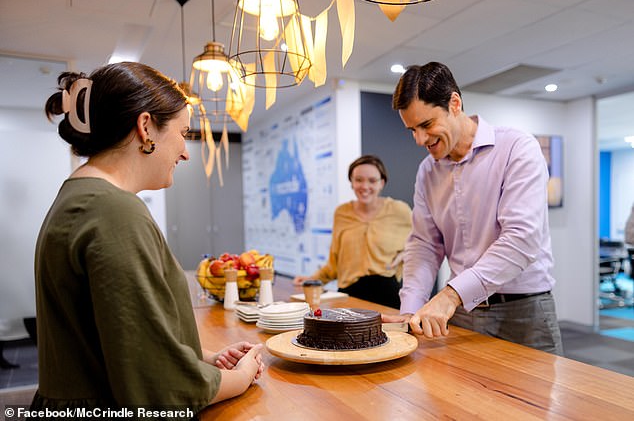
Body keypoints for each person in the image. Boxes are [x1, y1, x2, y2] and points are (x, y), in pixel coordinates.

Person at [32, 62, 264, 415]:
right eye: (184, 133)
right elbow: (159, 389)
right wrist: (243, 376)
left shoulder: (81, 197)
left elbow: (120, 338)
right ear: (145, 128)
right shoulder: (114, 212)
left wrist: (204, 359)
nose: (185, 152)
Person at [384, 62, 563, 355]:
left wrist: (451, 295)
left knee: (536, 402)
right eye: (412, 130)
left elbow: (521, 239)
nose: (419, 139)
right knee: (461, 400)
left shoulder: (517, 148)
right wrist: (411, 308)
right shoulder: (427, 171)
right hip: (462, 313)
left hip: (524, 310)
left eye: (426, 125)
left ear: (455, 103)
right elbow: (424, 244)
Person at [293, 155, 412, 309]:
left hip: (388, 295)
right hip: (350, 295)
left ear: (382, 183)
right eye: (359, 180)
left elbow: (423, 244)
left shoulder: (399, 210)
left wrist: (406, 253)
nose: (365, 186)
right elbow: (334, 264)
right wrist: (312, 280)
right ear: (351, 183)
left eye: (372, 180)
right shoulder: (341, 213)